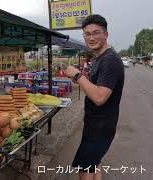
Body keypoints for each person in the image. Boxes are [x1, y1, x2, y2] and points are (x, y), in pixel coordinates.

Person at [65, 15, 124, 180]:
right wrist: (82, 80)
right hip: (97, 124)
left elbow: (99, 97)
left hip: (100, 127)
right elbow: (95, 89)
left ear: (106, 34)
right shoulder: (100, 58)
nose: (91, 37)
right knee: (94, 163)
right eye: (87, 34)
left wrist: (78, 76)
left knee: (85, 170)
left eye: (96, 33)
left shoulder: (110, 60)